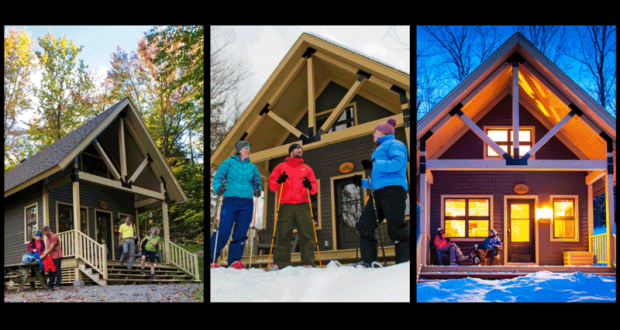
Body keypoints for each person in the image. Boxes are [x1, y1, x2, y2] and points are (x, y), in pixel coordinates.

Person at [352, 118, 410, 267]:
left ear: (383, 132)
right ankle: (367, 261)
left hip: (393, 190)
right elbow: (379, 178)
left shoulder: (395, 144)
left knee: (396, 227)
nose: (373, 135)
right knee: (365, 224)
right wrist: (362, 183)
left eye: (375, 132)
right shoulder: (379, 148)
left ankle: (404, 264)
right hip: (378, 193)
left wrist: (374, 164)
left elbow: (397, 164)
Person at [211, 141, 262, 269]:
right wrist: (218, 189)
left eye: (249, 149)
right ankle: (212, 259)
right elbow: (217, 178)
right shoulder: (228, 163)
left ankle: (234, 261)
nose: (248, 151)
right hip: (230, 200)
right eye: (246, 148)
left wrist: (257, 189)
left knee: (241, 232)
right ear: (239, 150)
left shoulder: (252, 167)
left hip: (247, 202)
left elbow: (257, 181)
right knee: (224, 231)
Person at [267, 143, 318, 270]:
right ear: (291, 151)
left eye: (301, 149)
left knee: (307, 234)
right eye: (297, 148)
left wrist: (309, 186)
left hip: (303, 204)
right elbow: (272, 186)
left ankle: (309, 262)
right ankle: (281, 263)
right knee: (283, 234)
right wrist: (279, 180)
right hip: (286, 205)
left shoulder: (307, 168)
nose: (300, 150)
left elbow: (314, 189)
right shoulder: (280, 167)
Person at [40, 226, 63, 290]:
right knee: (51, 270)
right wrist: (42, 254)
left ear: (47, 231)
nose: (44, 235)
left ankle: (58, 285)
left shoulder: (54, 236)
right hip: (50, 257)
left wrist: (44, 255)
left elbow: (51, 248)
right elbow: (47, 248)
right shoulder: (47, 238)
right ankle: (50, 284)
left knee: (57, 270)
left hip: (57, 255)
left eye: (44, 233)